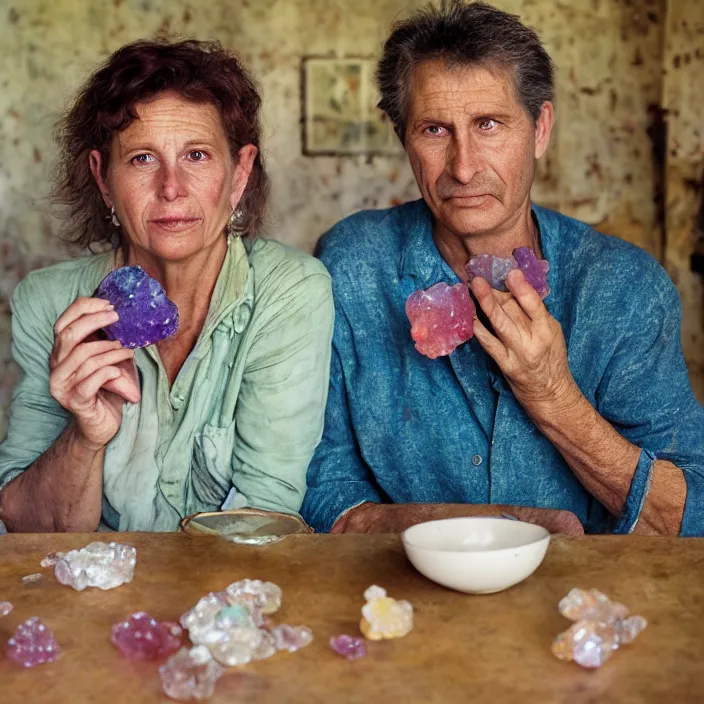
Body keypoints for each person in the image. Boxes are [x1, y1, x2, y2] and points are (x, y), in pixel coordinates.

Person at [301, 1, 704, 536]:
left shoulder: (626, 289)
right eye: (434, 130)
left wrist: (553, 396)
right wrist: (495, 529)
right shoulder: (352, 263)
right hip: (400, 600)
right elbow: (324, 481)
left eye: (489, 124)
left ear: (540, 129)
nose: (464, 167)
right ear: (403, 139)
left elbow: (691, 513)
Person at [0, 39, 333, 532]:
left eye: (197, 155)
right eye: (141, 159)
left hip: (227, 593)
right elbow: (26, 530)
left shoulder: (290, 291)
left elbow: (265, 512)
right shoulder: (48, 303)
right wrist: (87, 435)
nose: (171, 187)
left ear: (239, 174)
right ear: (103, 177)